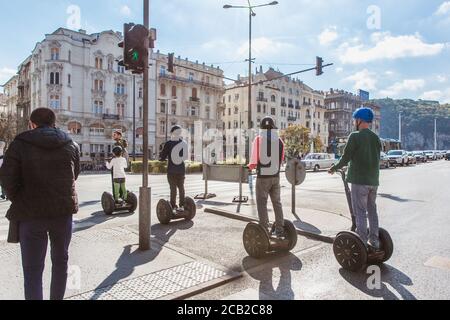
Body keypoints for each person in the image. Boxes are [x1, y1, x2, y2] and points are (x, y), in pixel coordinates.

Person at [0, 108, 80, 300]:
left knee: (32, 269)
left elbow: (6, 179)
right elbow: (74, 174)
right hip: (62, 212)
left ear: (31, 123)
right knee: (61, 262)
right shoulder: (70, 144)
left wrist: (19, 197)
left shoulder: (19, 143)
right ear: (54, 123)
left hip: (30, 214)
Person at [328, 107, 382, 250]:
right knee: (372, 210)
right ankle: (375, 241)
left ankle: (362, 242)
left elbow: (346, 158)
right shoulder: (376, 138)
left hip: (359, 181)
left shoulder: (355, 136)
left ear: (359, 120)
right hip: (373, 181)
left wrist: (334, 168)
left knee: (360, 212)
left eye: (354, 119)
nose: (353, 122)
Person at [249, 117, 286, 238]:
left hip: (263, 178)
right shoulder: (280, 141)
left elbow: (254, 161)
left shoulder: (259, 139)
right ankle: (280, 229)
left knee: (261, 203)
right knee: (277, 203)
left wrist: (249, 167)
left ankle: (264, 229)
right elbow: (281, 160)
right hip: (276, 177)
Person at [159, 125, 188, 212]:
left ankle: (173, 206)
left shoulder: (168, 143)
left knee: (173, 189)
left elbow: (163, 156)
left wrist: (162, 159)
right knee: (181, 188)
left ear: (172, 133)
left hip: (171, 170)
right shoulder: (184, 143)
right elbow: (185, 157)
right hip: (181, 170)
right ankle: (182, 206)